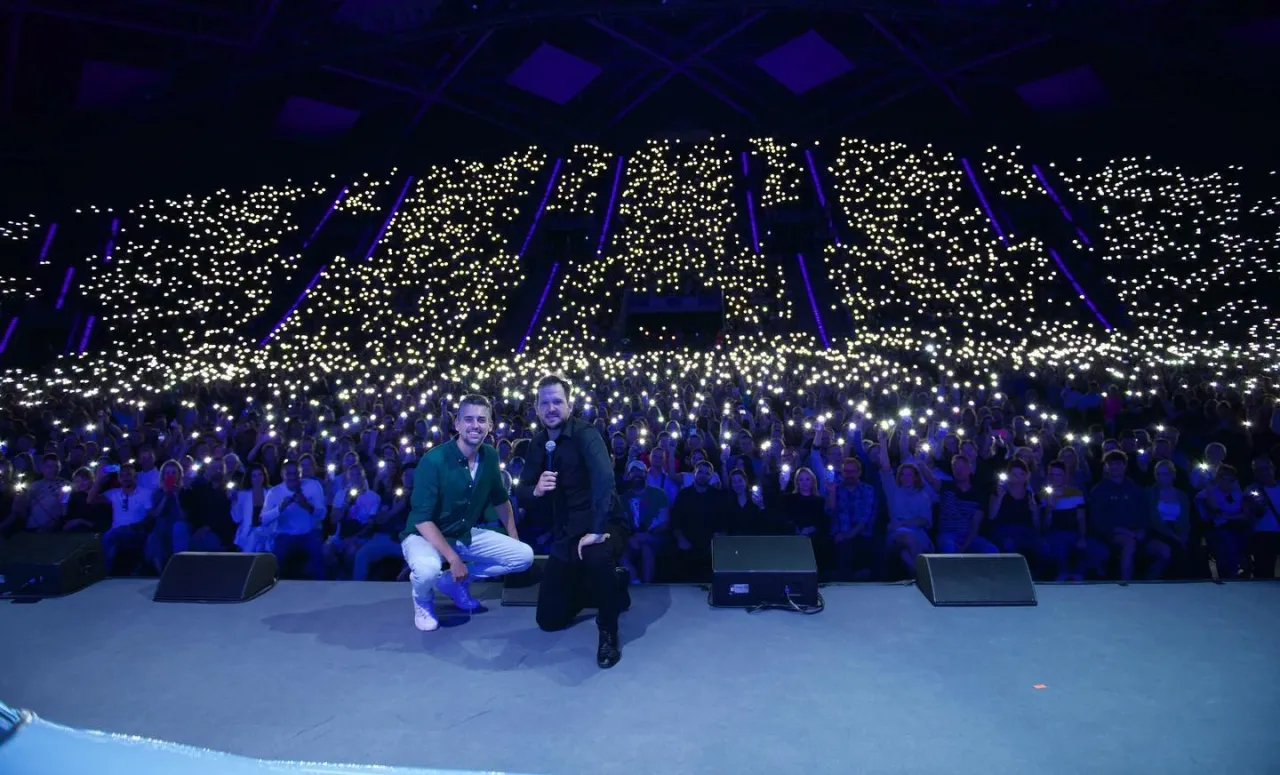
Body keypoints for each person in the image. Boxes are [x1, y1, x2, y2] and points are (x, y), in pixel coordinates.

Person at [514, 374, 631, 669]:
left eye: (558, 402)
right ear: (537, 408)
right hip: (566, 533)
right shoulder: (537, 444)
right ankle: (611, 584)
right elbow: (522, 490)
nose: (551, 408)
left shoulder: (585, 434)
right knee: (549, 620)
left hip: (603, 524)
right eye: (545, 403)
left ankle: (608, 630)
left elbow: (605, 481)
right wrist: (536, 489)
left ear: (569, 405)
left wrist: (596, 530)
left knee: (595, 554)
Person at [400, 394, 533, 633]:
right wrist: (453, 558)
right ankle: (423, 599)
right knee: (427, 570)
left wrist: (513, 538)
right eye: (468, 419)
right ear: (457, 424)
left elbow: (501, 500)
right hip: (423, 536)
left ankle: (452, 582)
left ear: (490, 426)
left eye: (481, 420)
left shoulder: (490, 455)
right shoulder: (434, 460)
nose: (475, 426)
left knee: (523, 556)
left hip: (462, 533)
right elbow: (422, 519)